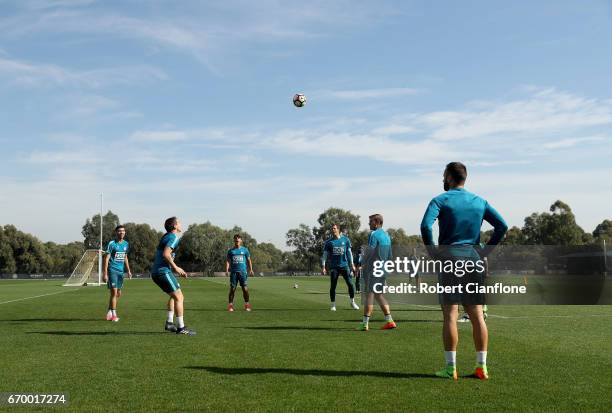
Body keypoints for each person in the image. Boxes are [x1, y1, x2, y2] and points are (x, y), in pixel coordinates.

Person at [420, 162, 507, 380]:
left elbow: (425, 226)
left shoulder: (441, 199)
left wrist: (433, 252)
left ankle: (451, 368)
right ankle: (482, 367)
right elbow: (502, 226)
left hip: (450, 259)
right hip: (473, 259)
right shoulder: (479, 201)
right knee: (478, 315)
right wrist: (484, 253)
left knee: (450, 314)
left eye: (443, 175)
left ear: (449, 177)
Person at [151, 217, 196, 335]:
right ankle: (181, 328)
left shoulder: (166, 236)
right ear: (175, 226)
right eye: (179, 222)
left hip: (158, 272)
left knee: (174, 293)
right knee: (179, 297)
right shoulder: (173, 237)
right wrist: (176, 268)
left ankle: (170, 323)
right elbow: (166, 254)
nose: (181, 224)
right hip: (162, 271)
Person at [359, 214, 396, 331]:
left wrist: (361, 264)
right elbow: (390, 256)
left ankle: (365, 324)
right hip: (383, 270)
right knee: (379, 295)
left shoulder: (374, 234)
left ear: (376, 222)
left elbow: (369, 251)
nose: (369, 224)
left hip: (374, 269)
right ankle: (390, 321)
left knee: (369, 295)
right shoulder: (387, 236)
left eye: (370, 222)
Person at [321, 224, 359, 311]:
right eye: (332, 228)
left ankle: (352, 302)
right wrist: (323, 267)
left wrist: (352, 264)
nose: (333, 230)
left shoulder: (345, 240)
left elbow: (349, 253)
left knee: (350, 284)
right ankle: (333, 304)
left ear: (338, 229)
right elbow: (324, 255)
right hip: (334, 267)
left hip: (344, 266)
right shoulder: (328, 242)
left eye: (334, 228)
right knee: (333, 286)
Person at [103, 225, 132, 322]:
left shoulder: (126, 244)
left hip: (121, 271)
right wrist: (105, 273)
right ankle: (114, 315)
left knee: (118, 293)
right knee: (114, 292)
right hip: (112, 270)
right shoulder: (112, 244)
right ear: (116, 232)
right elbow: (106, 258)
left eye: (123, 231)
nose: (122, 232)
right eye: (119, 231)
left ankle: (110, 310)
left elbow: (125, 257)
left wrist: (128, 270)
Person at [226, 234, 254, 312]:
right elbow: (228, 261)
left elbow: (249, 260)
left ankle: (247, 304)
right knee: (232, 289)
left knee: (245, 289)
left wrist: (251, 269)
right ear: (234, 241)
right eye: (235, 240)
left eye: (238, 240)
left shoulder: (245, 250)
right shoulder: (231, 251)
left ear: (241, 241)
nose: (237, 241)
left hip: (243, 272)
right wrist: (227, 270)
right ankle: (230, 306)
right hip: (234, 273)